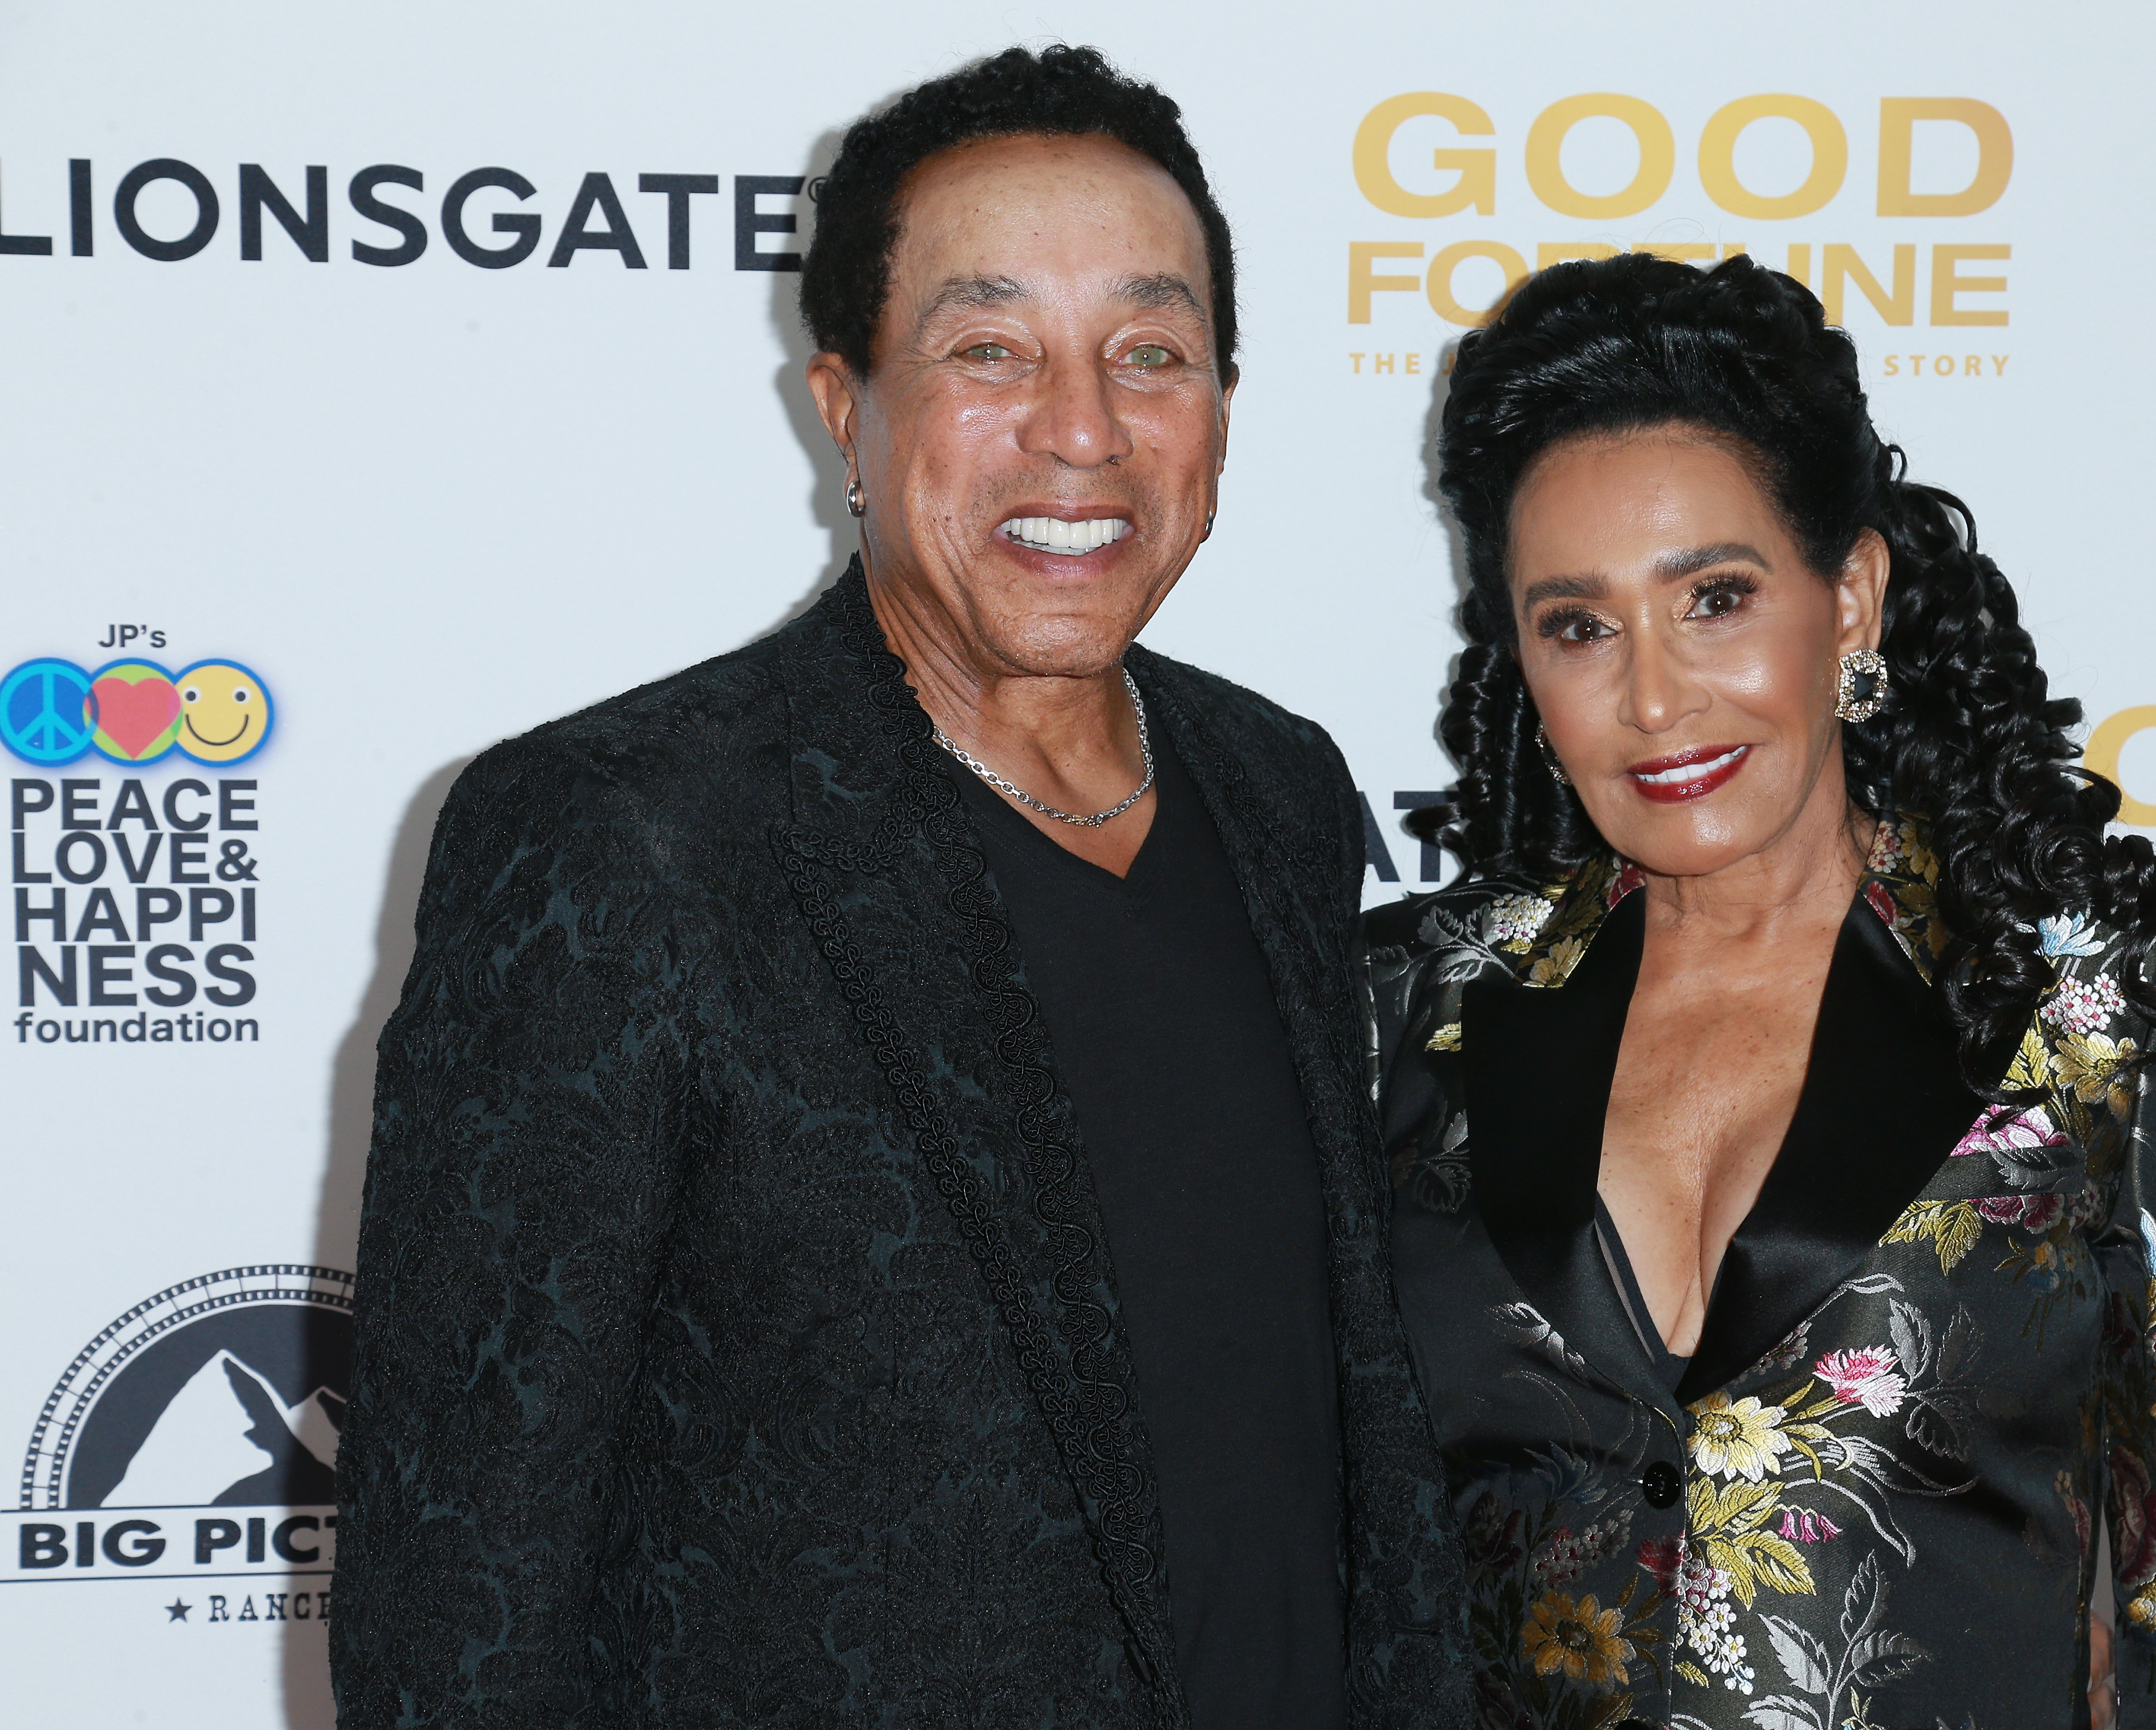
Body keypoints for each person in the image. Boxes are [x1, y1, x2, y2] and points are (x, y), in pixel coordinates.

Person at [330, 46, 1465, 1730]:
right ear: (847, 410)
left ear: (1222, 407)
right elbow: (458, 1599)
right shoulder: (626, 835)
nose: (1081, 431)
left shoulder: (1276, 786)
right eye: (989, 349)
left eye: (1149, 353)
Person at [1367, 252, 2156, 1730]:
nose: (1656, 698)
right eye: (1579, 625)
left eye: (1717, 599)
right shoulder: (1410, 1006)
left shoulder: (2111, 1006)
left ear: (1852, 597)